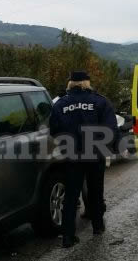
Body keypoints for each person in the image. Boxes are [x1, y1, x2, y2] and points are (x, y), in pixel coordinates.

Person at [50, 71, 119, 248]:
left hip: (72, 156)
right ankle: (98, 226)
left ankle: (67, 237)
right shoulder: (100, 101)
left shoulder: (60, 104)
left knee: (71, 195)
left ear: (70, 84)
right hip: (95, 154)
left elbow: (53, 130)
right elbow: (111, 129)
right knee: (96, 191)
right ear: (87, 83)